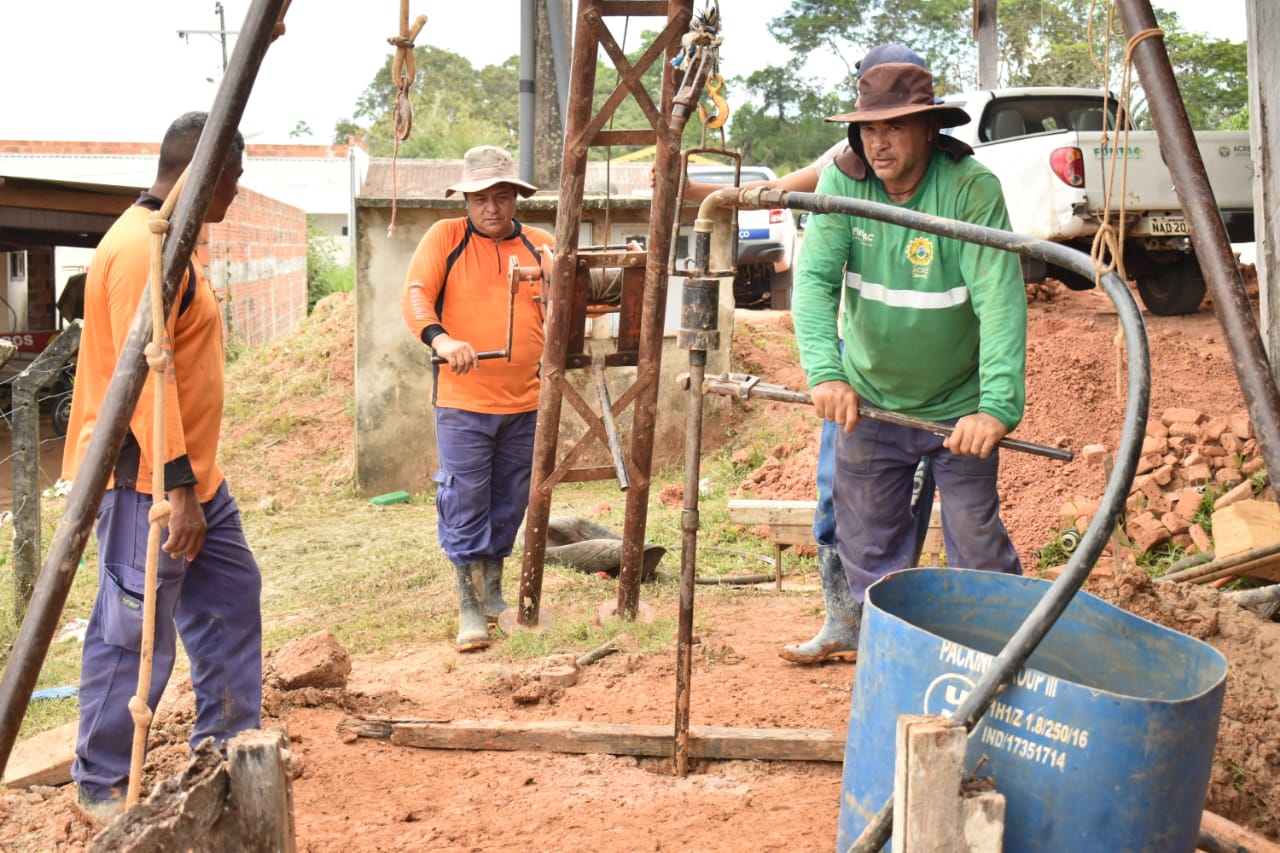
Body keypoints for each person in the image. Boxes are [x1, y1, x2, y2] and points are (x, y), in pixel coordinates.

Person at [682, 44, 937, 665]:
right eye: (865, 107)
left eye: (893, 118)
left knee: (909, 499)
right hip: (860, 357)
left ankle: (893, 635)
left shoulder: (949, 174)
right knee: (836, 492)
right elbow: (787, 191)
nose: (877, 133)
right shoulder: (847, 162)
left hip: (933, 366)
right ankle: (843, 620)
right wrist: (707, 188)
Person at [62, 112, 261, 825]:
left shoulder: (171, 243)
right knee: (131, 634)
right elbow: (145, 379)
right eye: (233, 180)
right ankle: (101, 781)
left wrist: (194, 483)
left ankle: (229, 744)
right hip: (145, 480)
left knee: (232, 593)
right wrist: (177, 490)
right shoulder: (141, 250)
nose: (235, 197)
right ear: (204, 176)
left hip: (193, 477)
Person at [792, 50, 1026, 645]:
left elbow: (999, 302)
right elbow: (815, 284)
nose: (879, 142)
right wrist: (825, 373)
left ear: (930, 127)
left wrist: (995, 407)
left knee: (976, 539)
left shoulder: (971, 189)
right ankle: (895, 650)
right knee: (867, 545)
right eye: (869, 127)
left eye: (895, 125)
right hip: (869, 400)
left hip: (959, 402)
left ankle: (1002, 653)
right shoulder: (844, 183)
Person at [401, 146, 553, 652]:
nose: (492, 208)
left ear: (517, 199)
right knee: (464, 500)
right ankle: (467, 604)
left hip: (527, 402)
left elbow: (573, 307)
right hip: (463, 402)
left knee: (510, 501)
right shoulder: (445, 237)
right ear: (465, 199)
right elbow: (417, 293)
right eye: (481, 198)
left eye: (502, 196)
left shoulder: (540, 247)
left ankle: (494, 596)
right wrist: (442, 340)